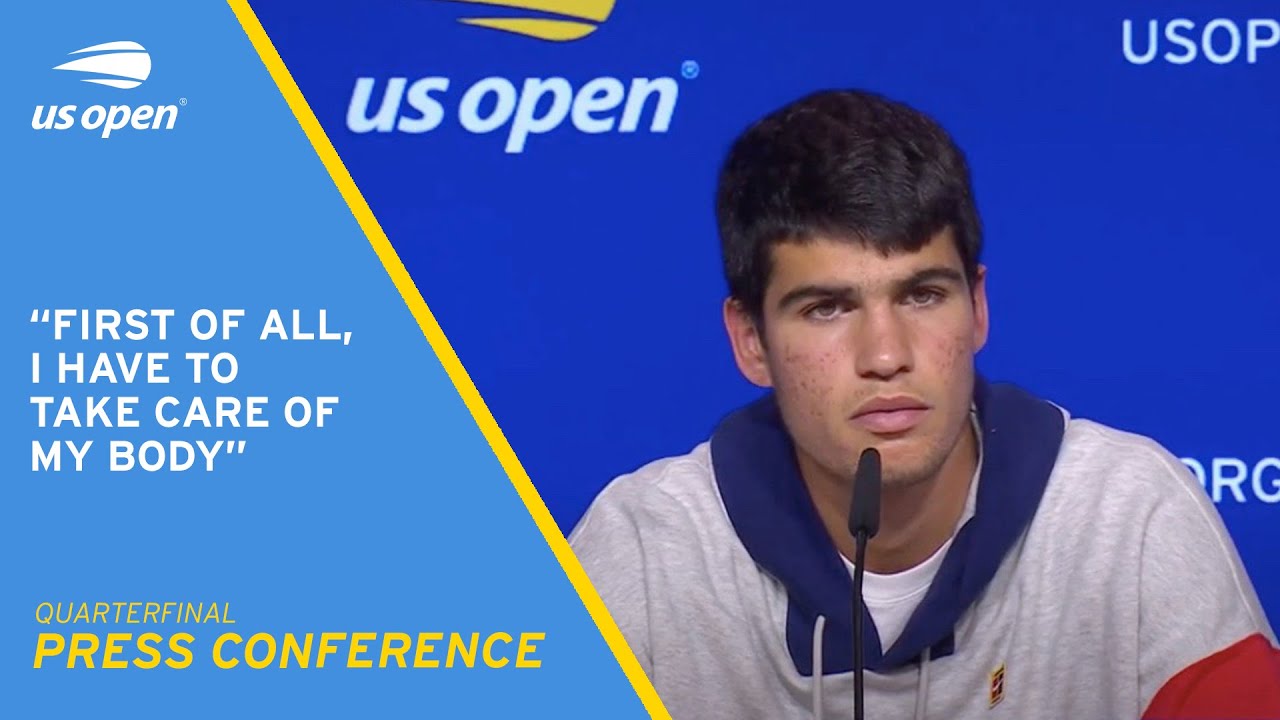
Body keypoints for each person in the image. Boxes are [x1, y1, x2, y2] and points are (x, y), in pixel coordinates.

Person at [567, 88, 1280, 719]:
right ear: (751, 341)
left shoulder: (1126, 514)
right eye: (826, 309)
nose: (886, 355)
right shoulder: (645, 546)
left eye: (922, 295)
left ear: (977, 308)